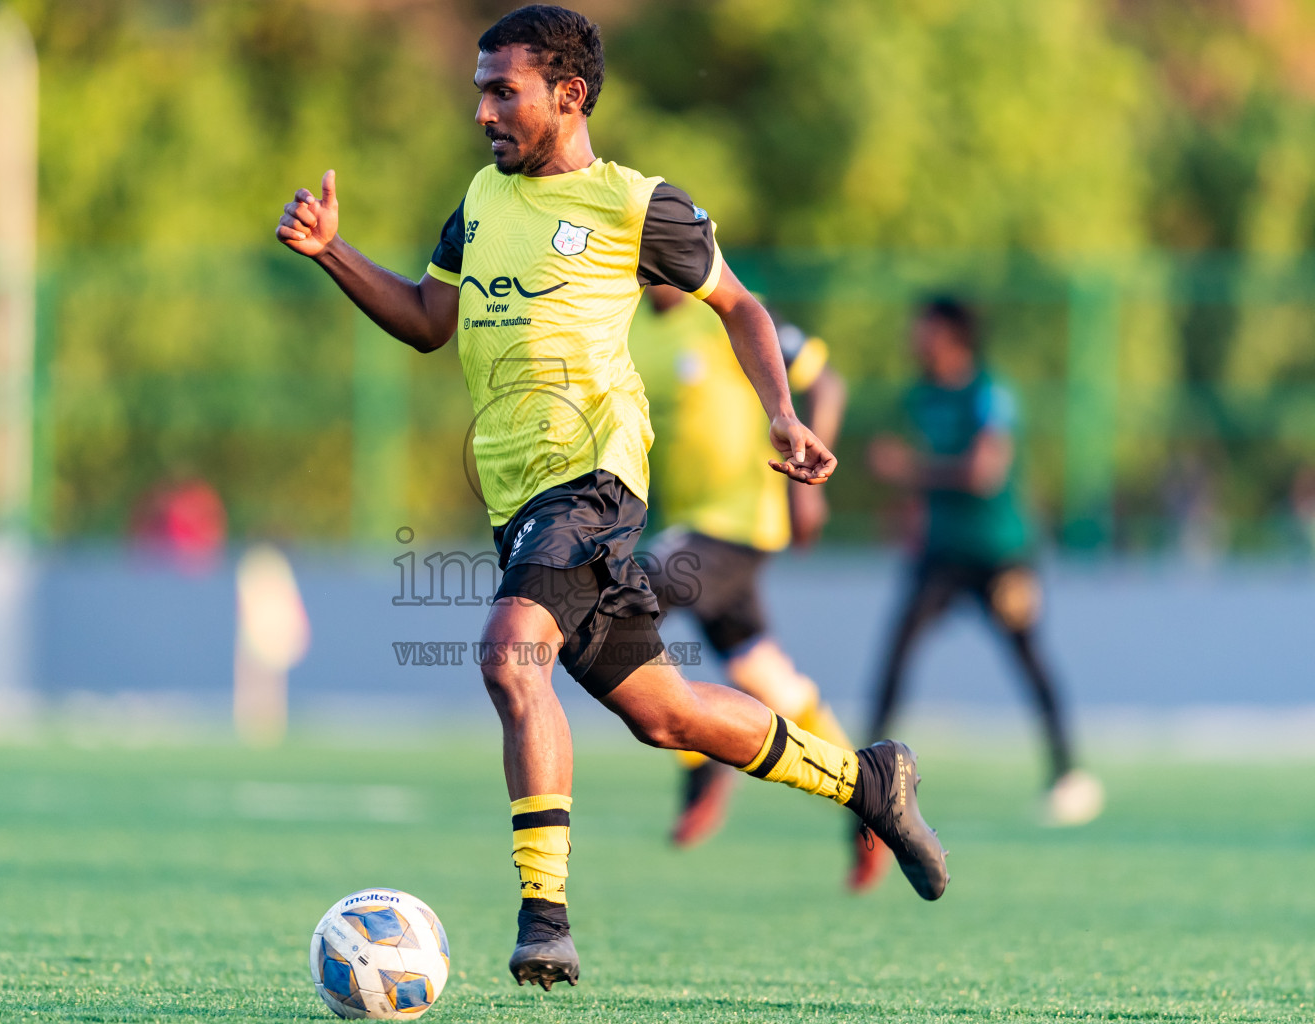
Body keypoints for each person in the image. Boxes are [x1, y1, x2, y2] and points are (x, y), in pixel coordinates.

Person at [277, 5, 948, 992]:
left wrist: (780, 411)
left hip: (593, 481)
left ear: (570, 96)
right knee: (666, 712)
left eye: (502, 91)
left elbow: (742, 305)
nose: (482, 112)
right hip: (517, 503)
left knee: (511, 656)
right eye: (479, 89)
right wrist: (334, 251)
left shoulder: (638, 205)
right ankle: (866, 780)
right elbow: (428, 321)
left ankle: (544, 918)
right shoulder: (475, 200)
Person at [630, 285, 892, 890]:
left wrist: (808, 475)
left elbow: (826, 383)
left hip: (740, 523)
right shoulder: (631, 324)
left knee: (629, 599)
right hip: (692, 524)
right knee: (767, 678)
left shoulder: (727, 313)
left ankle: (701, 759)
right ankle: (869, 797)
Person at [867, 296, 1103, 827]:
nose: (913, 338)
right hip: (943, 553)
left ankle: (1067, 773)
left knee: (1028, 657)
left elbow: (984, 474)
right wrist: (907, 505)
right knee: (897, 651)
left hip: (1001, 556)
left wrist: (910, 471)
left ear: (951, 336)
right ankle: (869, 780)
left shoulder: (989, 394)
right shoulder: (917, 396)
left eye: (922, 329)